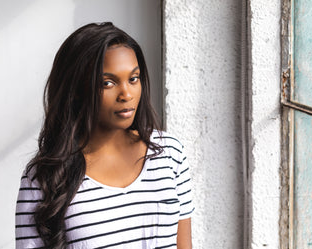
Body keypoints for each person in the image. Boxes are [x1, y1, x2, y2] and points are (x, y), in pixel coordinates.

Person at [15, 22, 193, 249]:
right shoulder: (43, 178)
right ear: (76, 89)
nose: (126, 94)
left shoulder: (170, 153)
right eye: (108, 83)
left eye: (134, 78)